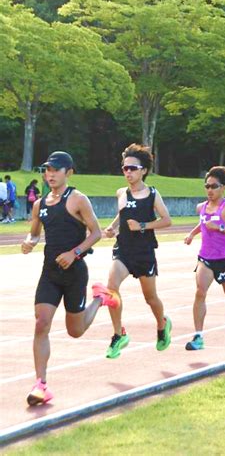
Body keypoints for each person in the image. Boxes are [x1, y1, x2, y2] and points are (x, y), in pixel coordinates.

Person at [21, 151, 119, 405]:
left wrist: (74, 253)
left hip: (74, 273)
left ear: (68, 172)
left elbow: (96, 233)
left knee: (75, 331)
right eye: (46, 170)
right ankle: (41, 385)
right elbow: (34, 233)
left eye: (55, 170)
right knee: (41, 323)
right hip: (50, 274)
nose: (49, 174)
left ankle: (99, 298)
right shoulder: (39, 204)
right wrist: (29, 242)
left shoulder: (78, 199)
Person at [93, 143, 172, 359]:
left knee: (150, 298)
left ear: (143, 170)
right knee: (111, 289)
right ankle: (119, 334)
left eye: (133, 168)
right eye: (125, 168)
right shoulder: (121, 192)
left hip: (144, 252)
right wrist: (113, 227)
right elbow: (122, 214)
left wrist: (144, 226)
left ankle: (162, 324)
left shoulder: (152, 194)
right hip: (123, 250)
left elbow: (167, 220)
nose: (128, 172)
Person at [184, 166, 225, 350]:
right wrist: (191, 234)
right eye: (207, 186)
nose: (210, 190)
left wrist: (220, 228)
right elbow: (203, 224)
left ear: (223, 187)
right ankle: (198, 337)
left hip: (224, 259)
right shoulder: (204, 206)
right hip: (205, 258)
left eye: (214, 186)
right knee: (200, 292)